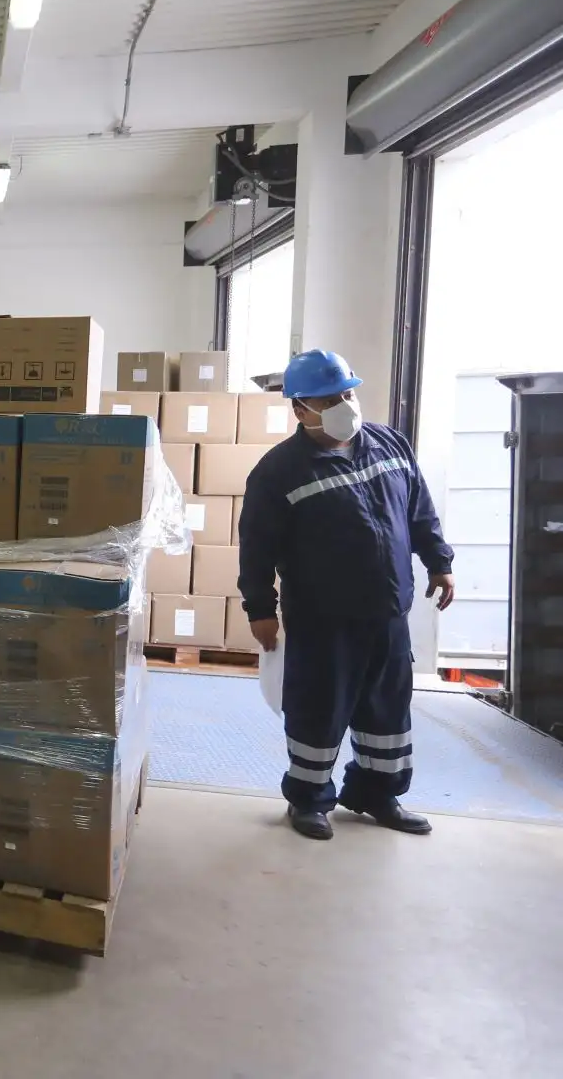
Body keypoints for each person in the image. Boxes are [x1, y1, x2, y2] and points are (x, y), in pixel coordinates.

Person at [238, 349, 456, 842]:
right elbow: (257, 548)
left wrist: (439, 562)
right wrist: (260, 610)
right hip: (323, 620)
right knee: (319, 709)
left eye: (347, 394)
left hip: (388, 612)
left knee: (387, 712)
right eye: (329, 399)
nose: (344, 405)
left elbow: (419, 511)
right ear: (300, 409)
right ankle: (309, 800)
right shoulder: (278, 472)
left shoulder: (390, 444)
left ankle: (377, 794)